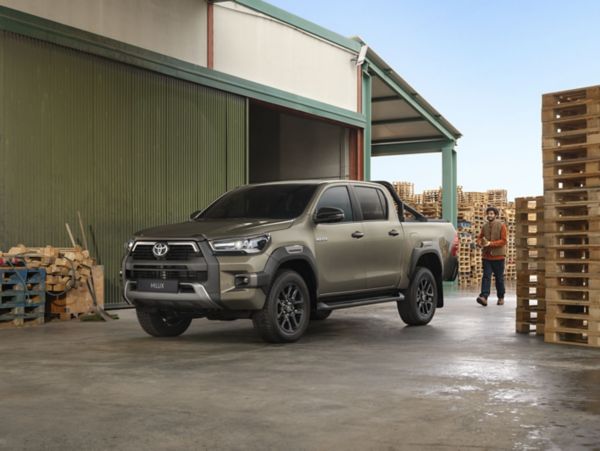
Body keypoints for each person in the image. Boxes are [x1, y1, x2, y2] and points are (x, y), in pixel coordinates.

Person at [476, 206, 507, 306]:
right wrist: (480, 243)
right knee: (486, 277)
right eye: (489, 214)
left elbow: (504, 241)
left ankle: (501, 297)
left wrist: (490, 244)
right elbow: (479, 238)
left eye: (492, 214)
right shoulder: (484, 226)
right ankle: (484, 297)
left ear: (496, 215)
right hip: (486, 257)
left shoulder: (501, 226)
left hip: (498, 257)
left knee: (499, 278)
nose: (490, 215)